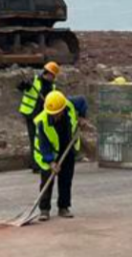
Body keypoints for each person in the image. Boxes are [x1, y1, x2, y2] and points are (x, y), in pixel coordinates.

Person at [33, 90, 88, 221]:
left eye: (57, 113)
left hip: (67, 149)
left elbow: (83, 101)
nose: (55, 116)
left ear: (62, 109)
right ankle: (44, 209)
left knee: (66, 179)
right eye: (52, 114)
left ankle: (63, 207)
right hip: (49, 153)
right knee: (47, 180)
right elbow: (44, 144)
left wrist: (82, 117)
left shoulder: (70, 104)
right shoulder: (43, 122)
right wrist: (51, 162)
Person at [18, 62, 61, 172]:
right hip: (30, 114)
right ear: (49, 73)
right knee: (34, 139)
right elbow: (20, 87)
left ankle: (36, 163)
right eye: (53, 75)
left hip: (42, 117)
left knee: (40, 139)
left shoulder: (52, 87)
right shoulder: (34, 81)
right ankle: (36, 165)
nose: (54, 78)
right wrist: (24, 84)